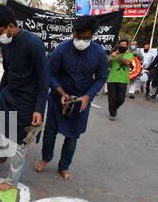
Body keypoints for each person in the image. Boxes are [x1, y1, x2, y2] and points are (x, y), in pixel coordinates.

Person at [0, 5, 49, 191]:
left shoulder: (33, 43)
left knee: (18, 144)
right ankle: (0, 155)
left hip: (27, 101)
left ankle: (12, 181)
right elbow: (8, 70)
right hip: (8, 94)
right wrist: (0, 91)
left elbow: (44, 78)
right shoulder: (5, 43)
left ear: (11, 26)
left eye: (0, 32)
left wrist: (39, 108)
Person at [35, 16, 108, 181]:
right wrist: (61, 93)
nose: (81, 41)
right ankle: (46, 158)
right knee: (50, 132)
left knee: (73, 136)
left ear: (92, 36)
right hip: (57, 98)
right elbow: (50, 74)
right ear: (73, 32)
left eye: (86, 38)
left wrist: (87, 96)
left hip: (81, 102)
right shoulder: (61, 49)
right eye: (78, 36)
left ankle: (64, 166)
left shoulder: (99, 53)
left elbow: (101, 77)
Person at [107, 39, 133, 120]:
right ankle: (112, 114)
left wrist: (116, 56)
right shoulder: (114, 53)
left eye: (124, 45)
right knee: (111, 98)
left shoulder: (130, 54)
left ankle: (114, 108)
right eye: (121, 44)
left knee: (121, 99)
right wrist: (110, 59)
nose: (122, 46)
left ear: (127, 46)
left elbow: (127, 62)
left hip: (123, 79)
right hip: (112, 78)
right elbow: (108, 65)